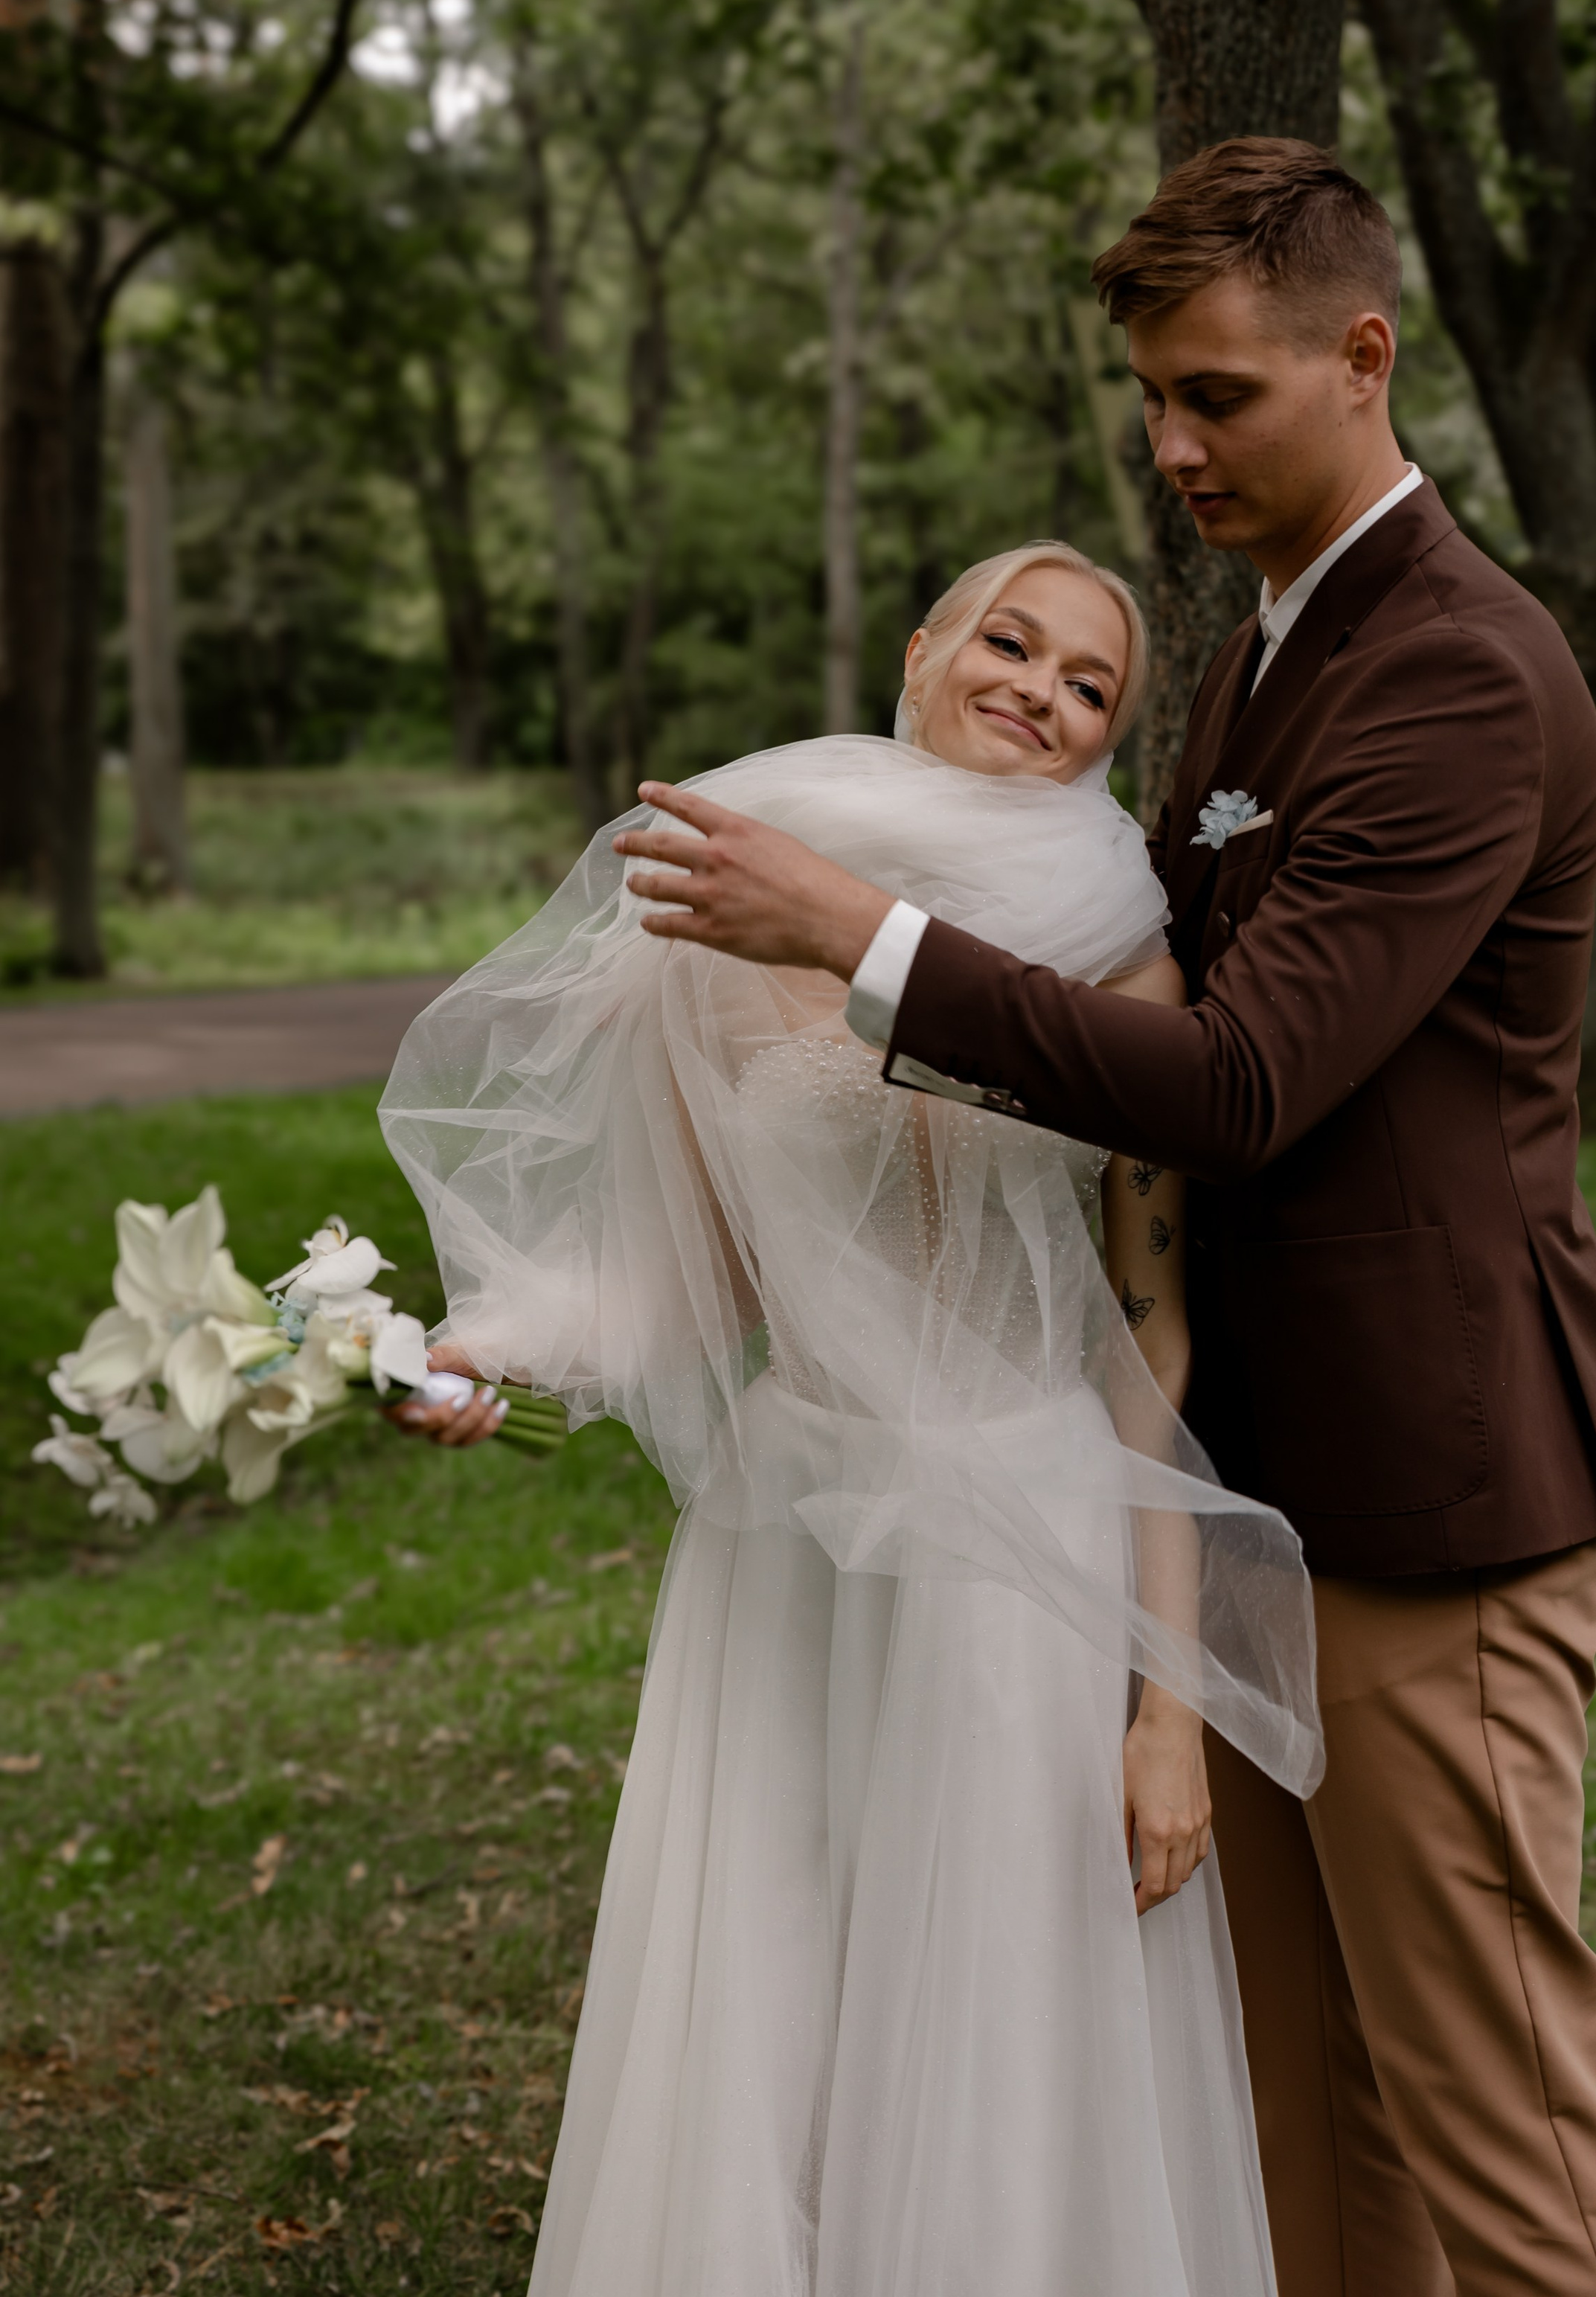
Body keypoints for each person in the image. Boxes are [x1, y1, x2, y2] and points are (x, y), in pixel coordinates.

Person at [615, 138, 1596, 2297]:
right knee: (1308, 2126)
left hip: (1431, 1495)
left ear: (1363, 358)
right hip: (1232, 1499)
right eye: (1156, 406)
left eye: (1219, 397)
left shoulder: (1460, 670)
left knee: (1499, 2135)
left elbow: (1245, 1079)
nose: (1173, 447)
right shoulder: (1266, 657)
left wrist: (868, 935)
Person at [381, 538, 1322, 2297]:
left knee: (988, 2023)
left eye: (1087, 684)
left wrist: (1166, 1709)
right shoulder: (720, 916)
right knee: (772, 2006)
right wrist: (470, 1352)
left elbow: (1148, 1334)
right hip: (788, 1545)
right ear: (920, 650)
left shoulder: (1122, 950)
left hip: (1015, 1556)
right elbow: (695, 1280)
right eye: (1009, 641)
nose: (1036, 688)